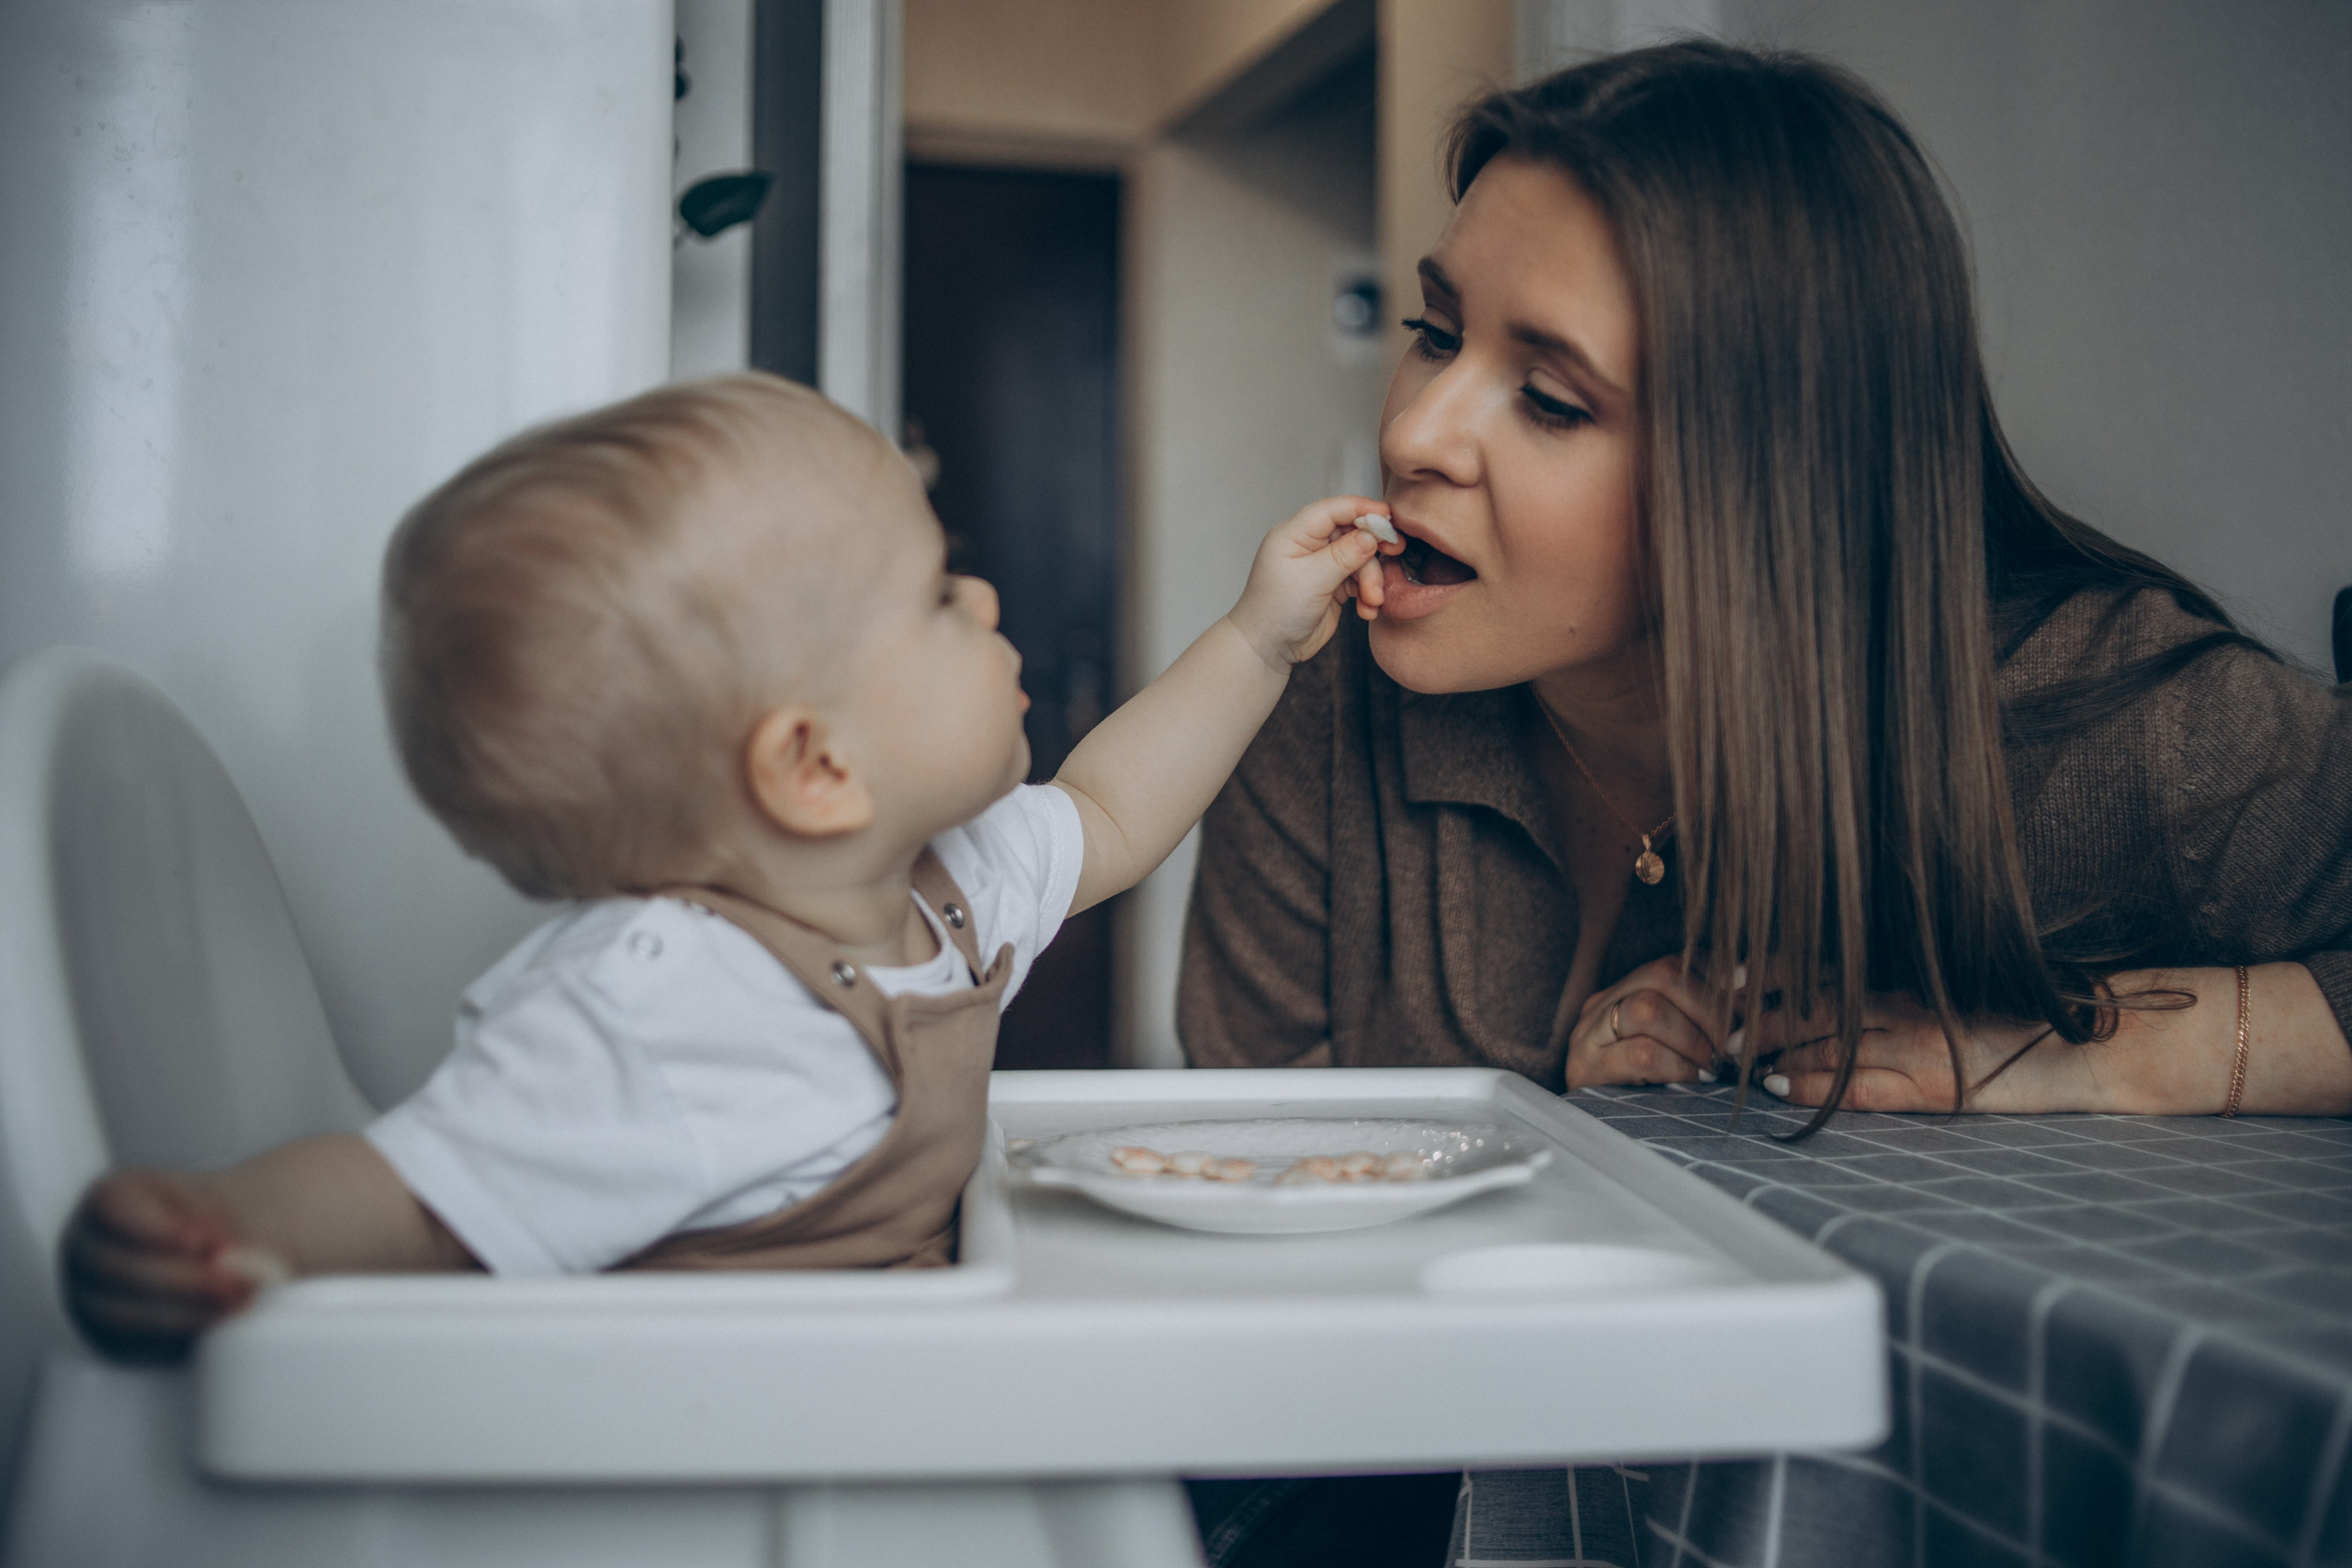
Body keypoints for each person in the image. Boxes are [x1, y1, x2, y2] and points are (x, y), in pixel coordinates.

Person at [62, 371, 1400, 1361]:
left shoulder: (934, 886)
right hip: (719, 1485)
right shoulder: (659, 1001)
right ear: (816, 766)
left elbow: (1111, 810)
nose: (988, 603)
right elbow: (414, 1196)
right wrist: (225, 1222)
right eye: (941, 591)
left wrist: (1256, 640)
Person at [1181, 40, 2352, 1133]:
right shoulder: (1319, 702)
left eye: (1550, 399)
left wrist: (2106, 1055)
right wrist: (1554, 1114)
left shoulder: (2105, 713)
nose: (1414, 432)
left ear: (1778, 476)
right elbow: (1264, 1161)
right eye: (1435, 333)